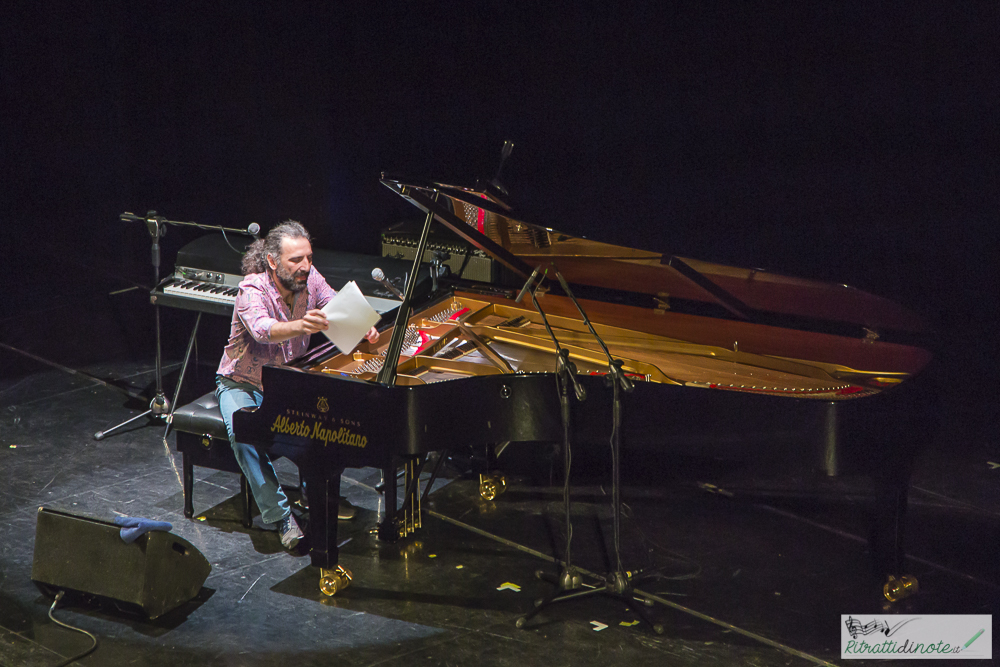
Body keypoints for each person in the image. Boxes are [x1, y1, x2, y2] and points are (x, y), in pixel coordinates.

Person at [216, 221, 378, 549]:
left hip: (288, 381)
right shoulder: (253, 288)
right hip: (241, 383)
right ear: (273, 261)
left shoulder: (310, 278)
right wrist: (300, 324)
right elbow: (262, 329)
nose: (305, 266)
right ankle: (280, 516)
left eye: (308, 258)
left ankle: (317, 497)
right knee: (242, 432)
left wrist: (363, 327)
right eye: (296, 260)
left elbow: (336, 306)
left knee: (325, 420)